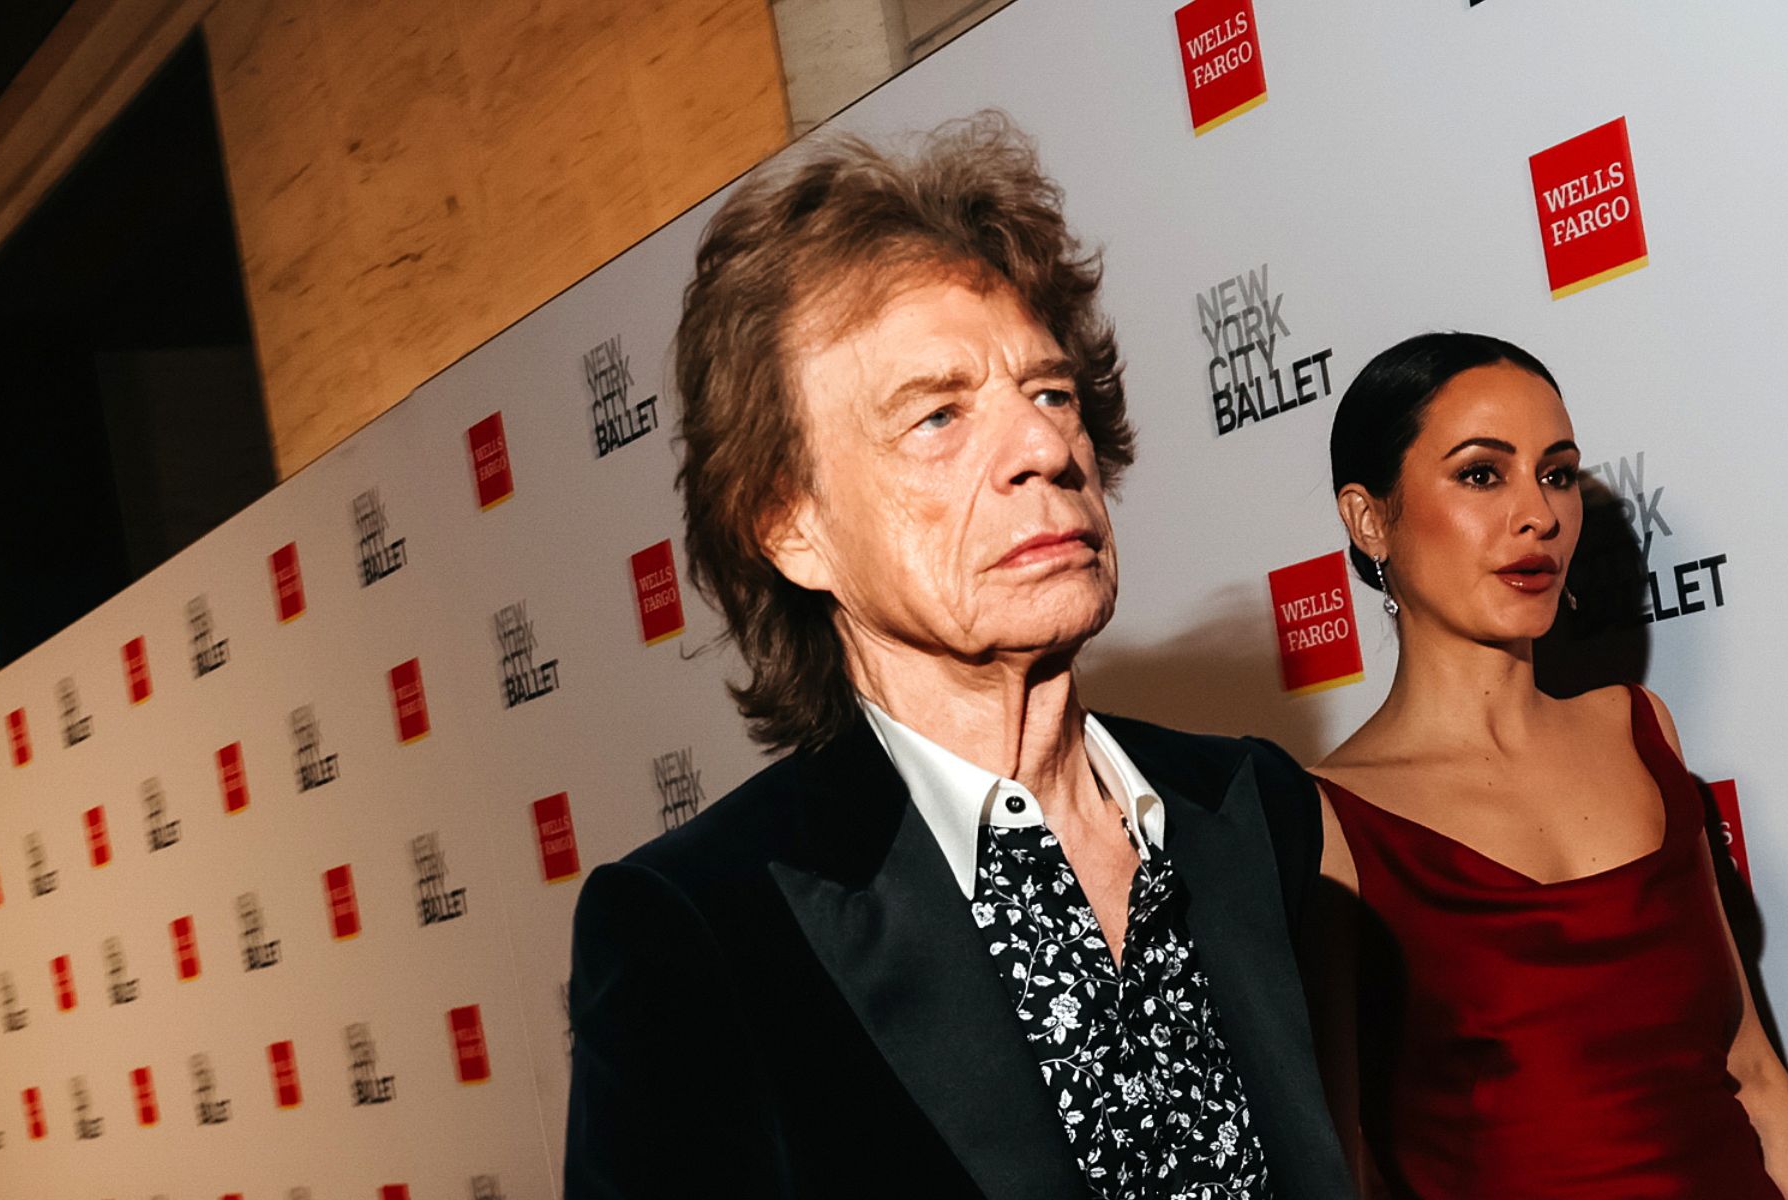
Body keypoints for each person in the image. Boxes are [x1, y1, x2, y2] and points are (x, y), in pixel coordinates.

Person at [563, 115, 1351, 1200]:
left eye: (1051, 392)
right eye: (937, 417)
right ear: (789, 525)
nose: (1044, 448)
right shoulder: (699, 931)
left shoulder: (1253, 811)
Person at [1305, 332, 1788, 1199]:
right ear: (1370, 518)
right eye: (1483, 474)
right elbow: (1346, 1164)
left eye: (1555, 473)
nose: (1540, 516)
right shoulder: (1327, 820)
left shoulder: (1641, 731)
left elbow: (1754, 1075)